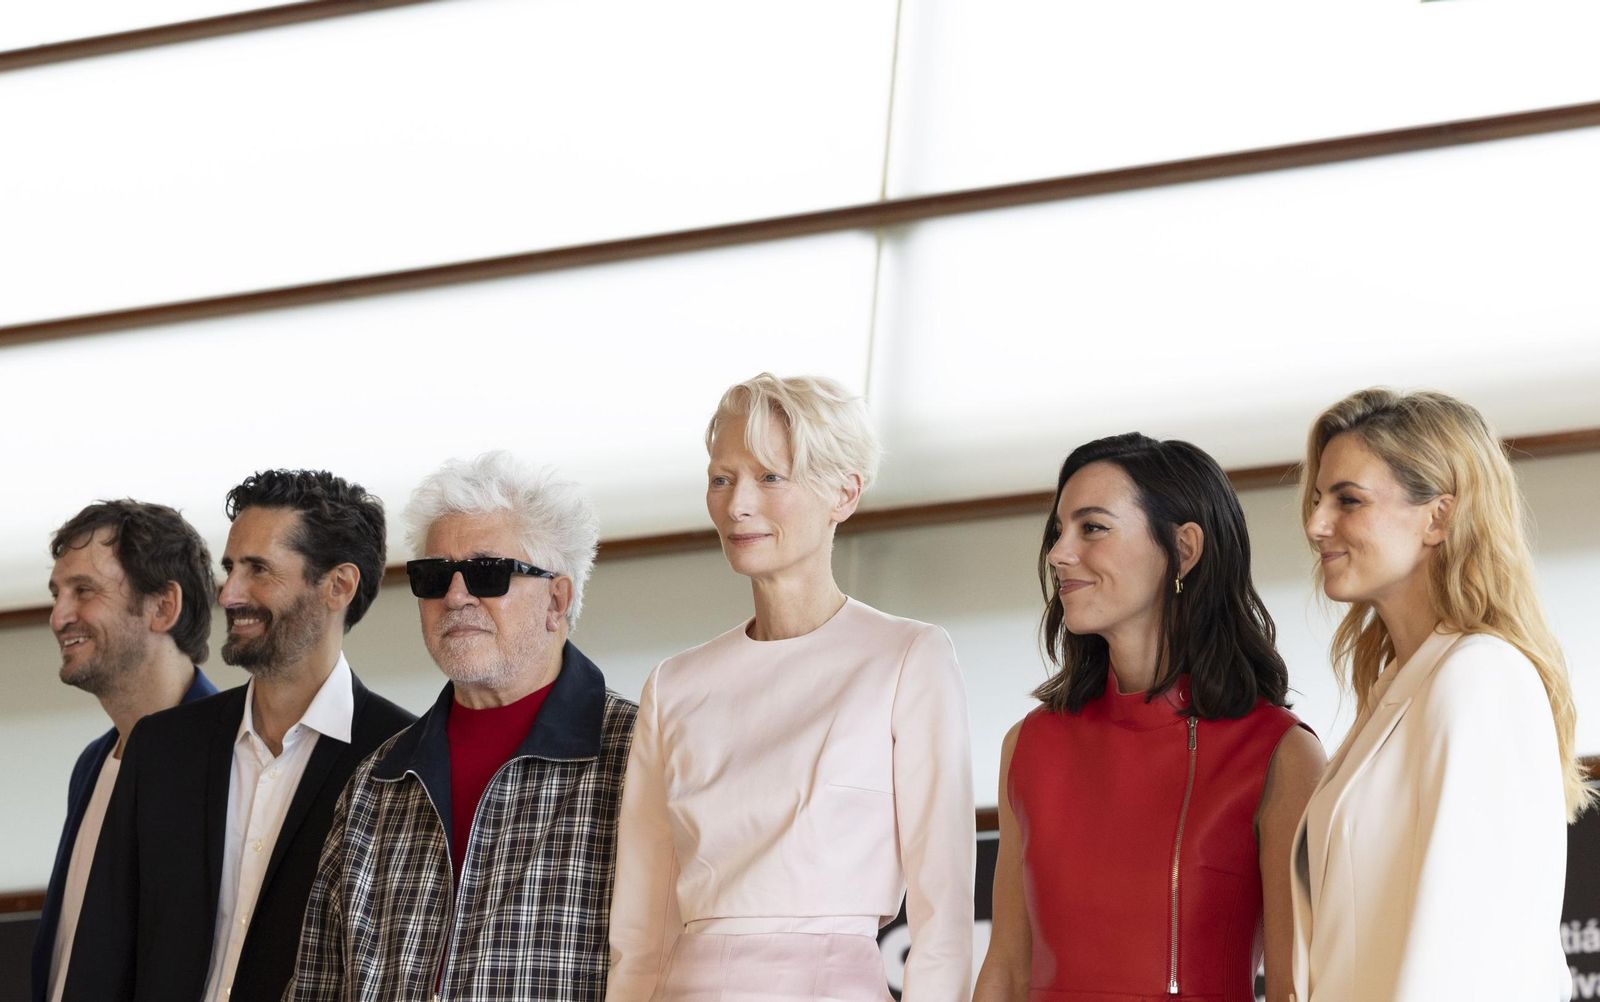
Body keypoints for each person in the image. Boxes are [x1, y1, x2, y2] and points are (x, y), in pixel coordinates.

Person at [606, 373, 975, 1002]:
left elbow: (943, 918)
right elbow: (640, 928)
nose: (738, 504)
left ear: (844, 493)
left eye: (770, 477)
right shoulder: (675, 685)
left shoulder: (908, 657)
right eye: (721, 479)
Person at [974, 432, 1324, 1002]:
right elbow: (1007, 971)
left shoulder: (1280, 755)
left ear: (1183, 549)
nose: (1060, 553)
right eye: (1058, 532)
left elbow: (1294, 990)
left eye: (1092, 527)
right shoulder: (1031, 745)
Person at [286, 452, 637, 1002]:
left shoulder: (641, 757)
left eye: (487, 572)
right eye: (433, 576)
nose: (454, 595)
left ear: (556, 599)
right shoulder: (377, 782)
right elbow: (318, 984)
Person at [61, 470, 415, 1002]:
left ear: (338, 586)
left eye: (258, 570)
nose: (229, 593)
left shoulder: (402, 757)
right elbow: (103, 955)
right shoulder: (161, 749)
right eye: (230, 568)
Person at [1291, 389, 1587, 1001]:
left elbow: (1470, 952)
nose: (1317, 524)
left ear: (1439, 517)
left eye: (1348, 500)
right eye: (1319, 500)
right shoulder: (1402, 688)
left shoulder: (1479, 677)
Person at [33, 501, 220, 1002]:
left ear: (163, 607)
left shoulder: (231, 761)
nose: (58, 616)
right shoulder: (92, 765)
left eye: (83, 591)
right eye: (57, 594)